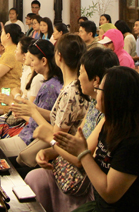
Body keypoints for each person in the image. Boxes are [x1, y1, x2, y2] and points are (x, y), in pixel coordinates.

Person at [52, 67, 139, 212]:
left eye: (100, 89)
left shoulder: (135, 140)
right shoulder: (110, 124)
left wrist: (82, 153)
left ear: (115, 97)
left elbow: (110, 193)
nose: (96, 91)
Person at [26, 46, 120, 212]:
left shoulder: (106, 116)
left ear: (96, 80)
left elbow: (80, 158)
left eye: (81, 72)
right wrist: (49, 152)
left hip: (84, 182)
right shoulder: (93, 103)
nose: (78, 77)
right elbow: (75, 142)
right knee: (33, 178)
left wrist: (51, 140)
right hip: (70, 169)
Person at [11, 34, 90, 167]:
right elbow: (59, 117)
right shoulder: (72, 85)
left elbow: (56, 134)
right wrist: (33, 109)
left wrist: (34, 112)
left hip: (63, 155)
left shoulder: (70, 91)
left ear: (59, 57)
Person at [0, 39, 62, 154]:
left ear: (43, 61)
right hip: (27, 134)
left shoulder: (49, 86)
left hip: (30, 139)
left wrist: (15, 105)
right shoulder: (49, 82)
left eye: (33, 59)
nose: (32, 63)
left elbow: (36, 120)